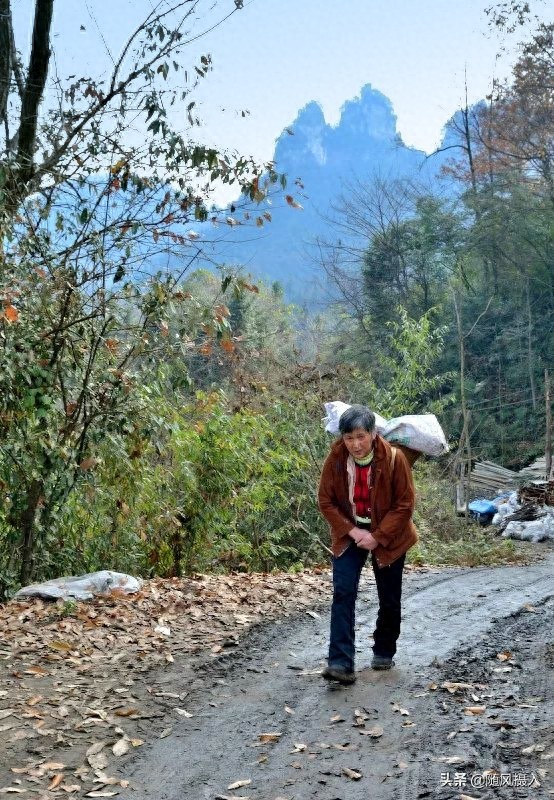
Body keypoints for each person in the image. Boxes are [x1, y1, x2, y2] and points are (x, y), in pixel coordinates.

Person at [318, 404, 417, 684]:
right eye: (349, 438)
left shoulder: (394, 459)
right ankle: (340, 663)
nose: (355, 444)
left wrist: (377, 536)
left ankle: (384, 649)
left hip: (390, 535)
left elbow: (405, 504)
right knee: (343, 592)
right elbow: (325, 501)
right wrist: (352, 531)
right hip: (350, 534)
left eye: (361, 436)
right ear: (342, 438)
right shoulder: (335, 460)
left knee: (389, 598)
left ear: (373, 434)